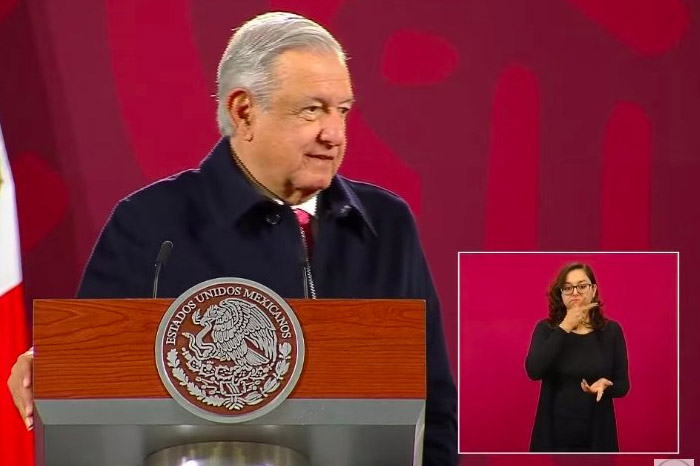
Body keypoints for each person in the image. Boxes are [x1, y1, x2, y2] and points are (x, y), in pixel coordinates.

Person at [6, 12, 457, 465]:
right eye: (312, 110)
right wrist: (55, 365)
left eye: (342, 110)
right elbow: (92, 375)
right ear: (244, 112)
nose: (334, 134)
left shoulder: (386, 225)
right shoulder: (150, 225)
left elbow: (433, 406)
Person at [525, 262, 629, 452]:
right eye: (568, 288)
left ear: (593, 290)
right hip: (552, 436)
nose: (575, 292)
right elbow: (533, 371)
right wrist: (566, 326)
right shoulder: (546, 329)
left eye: (582, 286)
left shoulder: (611, 331)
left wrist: (605, 387)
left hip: (597, 436)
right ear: (561, 294)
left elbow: (623, 385)